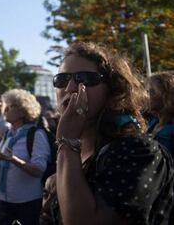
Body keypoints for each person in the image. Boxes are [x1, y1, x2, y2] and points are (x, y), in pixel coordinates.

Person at [42, 41, 174, 224]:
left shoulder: (137, 149)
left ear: (113, 89)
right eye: (61, 80)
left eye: (85, 78)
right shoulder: (79, 153)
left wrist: (67, 143)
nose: (70, 88)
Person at [0, 89, 51, 225]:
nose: (6, 109)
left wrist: (12, 159)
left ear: (23, 111)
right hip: (5, 201)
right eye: (6, 105)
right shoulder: (9, 134)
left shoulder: (36, 134)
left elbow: (39, 170)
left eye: (11, 106)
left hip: (27, 203)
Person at [146, 71, 174, 156]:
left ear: (168, 97)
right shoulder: (153, 122)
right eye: (147, 92)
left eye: (152, 92)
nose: (147, 96)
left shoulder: (171, 129)